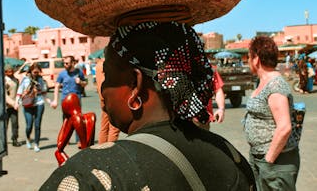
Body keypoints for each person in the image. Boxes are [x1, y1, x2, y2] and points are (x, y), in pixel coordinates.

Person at [41, 21, 255, 190]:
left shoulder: (91, 174)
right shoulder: (230, 154)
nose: (103, 88)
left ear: (135, 84)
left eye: (108, 75)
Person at [243, 36, 300, 191]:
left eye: (249, 57)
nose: (248, 61)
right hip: (262, 158)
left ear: (256, 59)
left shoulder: (275, 85)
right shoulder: (263, 82)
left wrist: (268, 161)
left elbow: (284, 127)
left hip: (276, 162)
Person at [51, 55, 88, 145]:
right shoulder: (62, 74)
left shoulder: (79, 72)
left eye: (67, 63)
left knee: (78, 120)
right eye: (64, 63)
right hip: (65, 100)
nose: (65, 64)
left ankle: (79, 140)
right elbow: (56, 86)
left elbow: (85, 83)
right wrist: (55, 100)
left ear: (72, 63)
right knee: (66, 120)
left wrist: (81, 82)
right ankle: (65, 140)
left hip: (76, 100)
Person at [14, 62, 48, 152]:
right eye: (34, 72)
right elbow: (19, 92)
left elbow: (44, 92)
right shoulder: (25, 79)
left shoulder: (41, 80)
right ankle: (28, 138)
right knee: (29, 125)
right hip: (27, 104)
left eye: (38, 72)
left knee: (37, 125)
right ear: (31, 71)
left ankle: (36, 144)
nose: (36, 74)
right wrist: (16, 103)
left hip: (39, 103)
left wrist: (49, 101)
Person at [95, 58, 120, 143]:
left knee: (104, 127)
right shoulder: (110, 64)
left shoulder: (99, 65)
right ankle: (110, 149)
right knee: (114, 128)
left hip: (103, 98)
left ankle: (101, 147)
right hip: (111, 98)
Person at [4, 65, 21, 147]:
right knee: (5, 124)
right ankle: (3, 141)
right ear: (5, 72)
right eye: (9, 71)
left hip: (14, 106)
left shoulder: (16, 80)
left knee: (15, 124)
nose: (11, 73)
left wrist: (17, 102)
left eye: (12, 71)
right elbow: (4, 95)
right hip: (6, 106)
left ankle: (14, 139)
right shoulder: (4, 81)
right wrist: (12, 103)